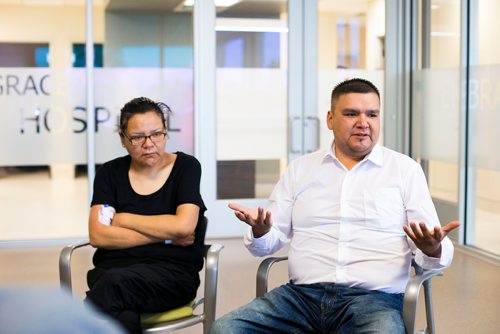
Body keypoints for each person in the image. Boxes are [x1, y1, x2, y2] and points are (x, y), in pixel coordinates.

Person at [209, 78, 460, 333]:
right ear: (330, 119)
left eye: (372, 114)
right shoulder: (301, 170)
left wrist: (432, 248)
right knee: (224, 329)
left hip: (374, 302)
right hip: (299, 299)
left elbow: (433, 255)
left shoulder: (405, 171)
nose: (363, 123)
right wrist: (262, 231)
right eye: (351, 114)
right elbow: (268, 243)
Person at [85, 97, 206, 334]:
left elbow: (183, 227)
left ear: (166, 134)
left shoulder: (186, 167)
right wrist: (165, 236)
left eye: (156, 134)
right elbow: (98, 235)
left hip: (171, 276)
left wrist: (122, 219)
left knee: (114, 286)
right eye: (138, 137)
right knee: (122, 314)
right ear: (123, 139)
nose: (149, 144)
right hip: (112, 271)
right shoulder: (109, 173)